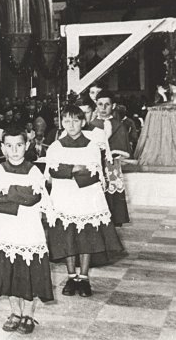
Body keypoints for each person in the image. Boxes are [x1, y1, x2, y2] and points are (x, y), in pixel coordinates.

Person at [45, 104, 123, 298]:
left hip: (86, 196)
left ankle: (84, 277)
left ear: (82, 122)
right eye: (66, 121)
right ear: (62, 123)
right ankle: (71, 276)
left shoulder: (91, 145)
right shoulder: (55, 146)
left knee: (85, 237)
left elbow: (94, 173)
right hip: (63, 197)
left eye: (75, 121)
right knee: (67, 236)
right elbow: (52, 171)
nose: (71, 125)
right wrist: (73, 169)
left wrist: (67, 170)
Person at [0, 127, 54, 335]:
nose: (14, 151)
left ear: (27, 146)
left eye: (19, 145)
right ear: (2, 148)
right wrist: (19, 194)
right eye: (9, 146)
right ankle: (15, 311)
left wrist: (9, 193)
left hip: (28, 229)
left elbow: (33, 197)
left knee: (28, 272)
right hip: (4, 230)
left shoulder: (33, 172)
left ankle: (28, 314)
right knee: (9, 271)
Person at [91, 90, 130, 225]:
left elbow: (123, 147)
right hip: (96, 163)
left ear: (113, 106)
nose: (103, 108)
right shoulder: (91, 125)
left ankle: (115, 219)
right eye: (100, 104)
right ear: (96, 105)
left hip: (112, 165)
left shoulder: (119, 125)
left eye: (107, 104)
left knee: (112, 190)